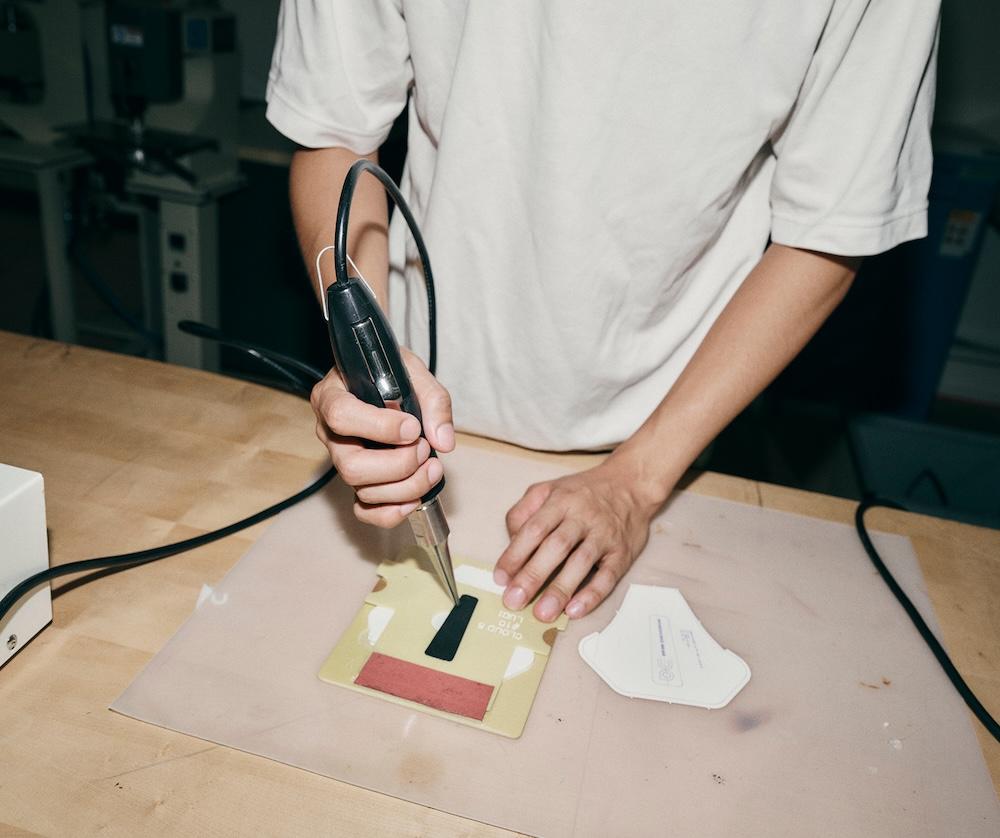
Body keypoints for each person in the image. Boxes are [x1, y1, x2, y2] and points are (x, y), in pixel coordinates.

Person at [266, 1, 940, 623]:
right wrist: (368, 360)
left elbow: (830, 228)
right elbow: (335, 126)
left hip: (666, 435)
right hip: (420, 389)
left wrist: (637, 483)